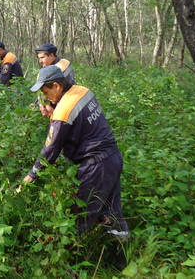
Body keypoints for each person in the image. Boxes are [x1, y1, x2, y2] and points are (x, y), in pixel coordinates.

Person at [20, 65, 129, 270]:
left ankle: (69, 266)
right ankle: (121, 262)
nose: (47, 98)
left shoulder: (63, 109)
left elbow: (50, 151)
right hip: (113, 157)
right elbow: (75, 123)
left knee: (78, 216)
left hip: (95, 166)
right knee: (112, 212)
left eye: (46, 92)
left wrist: (30, 177)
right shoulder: (82, 91)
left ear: (56, 85)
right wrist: (54, 114)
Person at [34, 43, 75, 117]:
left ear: (52, 55)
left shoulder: (55, 70)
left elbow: (50, 91)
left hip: (61, 108)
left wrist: (41, 104)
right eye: (39, 58)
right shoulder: (65, 62)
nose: (40, 61)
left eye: (42, 57)